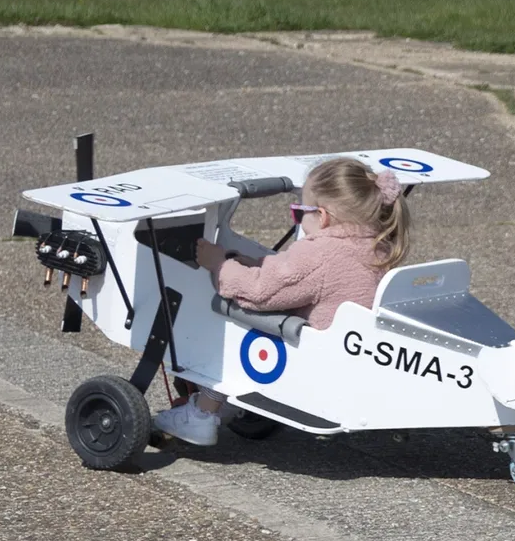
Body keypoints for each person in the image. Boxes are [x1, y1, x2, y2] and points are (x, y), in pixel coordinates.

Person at [152, 157, 412, 445]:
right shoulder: (379, 245)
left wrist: (219, 266)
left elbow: (259, 292)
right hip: (354, 359)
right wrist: (255, 262)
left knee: (231, 316)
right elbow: (293, 277)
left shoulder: (319, 254)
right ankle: (231, 403)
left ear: (322, 217)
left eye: (298, 213)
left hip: (318, 367)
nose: (298, 221)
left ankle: (202, 415)